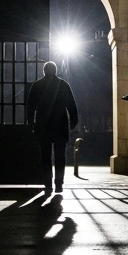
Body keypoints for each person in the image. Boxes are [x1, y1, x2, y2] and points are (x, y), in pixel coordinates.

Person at [25, 61, 79, 193]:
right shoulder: (63, 85)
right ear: (55, 71)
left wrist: (31, 123)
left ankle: (48, 184)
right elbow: (71, 105)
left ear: (44, 71)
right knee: (60, 156)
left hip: (43, 125)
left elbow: (31, 107)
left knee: (45, 156)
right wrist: (73, 122)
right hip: (60, 125)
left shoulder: (37, 86)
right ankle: (59, 184)